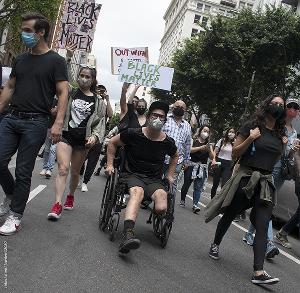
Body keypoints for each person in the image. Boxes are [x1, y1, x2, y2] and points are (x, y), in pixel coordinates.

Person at [205, 95, 286, 285]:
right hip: (246, 178)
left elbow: (273, 160)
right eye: (275, 103)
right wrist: (250, 138)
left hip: (265, 182)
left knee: (262, 224)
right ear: (267, 105)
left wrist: (285, 146)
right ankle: (215, 244)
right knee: (231, 212)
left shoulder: (280, 134)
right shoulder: (251, 125)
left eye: (281, 105)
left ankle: (258, 272)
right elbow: (234, 153)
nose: (278, 107)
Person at [0, 13, 69, 234]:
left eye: (28, 31)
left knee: (23, 171)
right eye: (23, 30)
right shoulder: (20, 59)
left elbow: (63, 92)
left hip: (36, 122)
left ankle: (15, 215)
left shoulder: (56, 61)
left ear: (41, 33)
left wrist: (58, 123)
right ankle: (11, 195)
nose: (24, 34)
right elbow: (9, 87)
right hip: (12, 118)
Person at [106, 101, 179, 253]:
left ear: (165, 120)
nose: (158, 119)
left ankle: (159, 215)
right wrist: (110, 165)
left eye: (161, 117)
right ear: (148, 116)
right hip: (132, 174)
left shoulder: (167, 141)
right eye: (155, 115)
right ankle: (128, 234)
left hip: (154, 179)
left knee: (161, 206)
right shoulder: (134, 133)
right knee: (137, 193)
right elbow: (112, 143)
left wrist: (170, 175)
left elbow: (175, 156)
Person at [47, 65, 107, 220]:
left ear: (93, 80)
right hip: (66, 135)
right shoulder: (70, 92)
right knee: (62, 169)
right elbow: (59, 83)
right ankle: (57, 204)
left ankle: (71, 195)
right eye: (82, 75)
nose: (84, 78)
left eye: (88, 76)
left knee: (75, 173)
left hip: (83, 141)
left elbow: (100, 123)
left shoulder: (98, 101)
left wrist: (94, 136)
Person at [244, 98, 299, 257]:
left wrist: (292, 149)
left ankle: (249, 234)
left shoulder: (294, 132)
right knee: (267, 203)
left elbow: (288, 154)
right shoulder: (277, 125)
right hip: (271, 166)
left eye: (296, 108)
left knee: (266, 203)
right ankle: (268, 243)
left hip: (283, 171)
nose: (293, 110)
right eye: (290, 106)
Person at [80, 84, 113, 192]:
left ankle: (85, 181)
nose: (100, 92)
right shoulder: (91, 100)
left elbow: (110, 114)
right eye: (99, 90)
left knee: (93, 160)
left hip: (99, 137)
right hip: (86, 133)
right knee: (81, 158)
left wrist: (107, 100)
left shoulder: (105, 103)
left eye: (103, 91)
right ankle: (80, 174)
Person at [180, 125, 214, 213]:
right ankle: (182, 200)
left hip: (202, 167)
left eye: (207, 131)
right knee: (187, 183)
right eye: (204, 130)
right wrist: (201, 148)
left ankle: (195, 204)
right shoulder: (193, 140)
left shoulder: (208, 144)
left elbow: (212, 157)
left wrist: (209, 149)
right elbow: (189, 150)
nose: (205, 133)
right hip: (191, 165)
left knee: (198, 187)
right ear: (200, 131)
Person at [162, 100, 192, 192]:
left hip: (178, 161)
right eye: (177, 106)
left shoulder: (187, 125)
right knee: (158, 183)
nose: (179, 108)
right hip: (161, 158)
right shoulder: (164, 119)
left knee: (172, 185)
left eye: (182, 107)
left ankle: (169, 205)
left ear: (185, 110)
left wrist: (187, 161)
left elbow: (187, 145)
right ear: (173, 107)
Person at [210, 128, 236, 199]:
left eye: (233, 132)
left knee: (224, 184)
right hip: (219, 162)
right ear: (227, 133)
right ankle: (212, 198)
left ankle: (219, 201)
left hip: (228, 163)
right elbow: (215, 151)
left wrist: (234, 145)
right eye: (230, 132)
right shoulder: (222, 140)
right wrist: (214, 159)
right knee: (215, 183)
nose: (231, 133)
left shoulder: (235, 142)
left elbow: (236, 154)